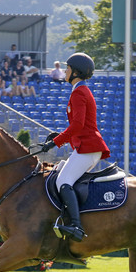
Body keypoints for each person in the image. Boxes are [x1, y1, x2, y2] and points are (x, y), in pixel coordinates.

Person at [42, 52, 110, 242]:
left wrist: (55, 142)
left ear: (76, 72)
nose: (65, 71)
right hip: (86, 147)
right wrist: (59, 138)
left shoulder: (80, 92)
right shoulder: (79, 90)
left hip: (88, 148)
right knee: (58, 171)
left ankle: (76, 226)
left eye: (68, 68)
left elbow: (78, 125)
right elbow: (79, 126)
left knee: (63, 182)